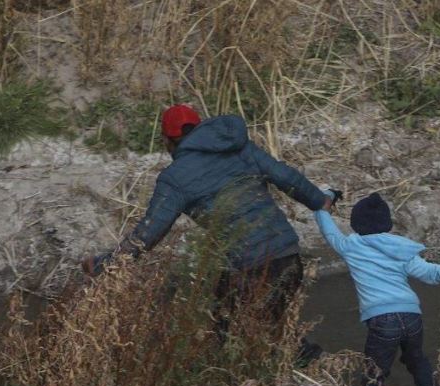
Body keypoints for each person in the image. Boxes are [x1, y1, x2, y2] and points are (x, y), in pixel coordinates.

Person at [83, 104, 331, 360]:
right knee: (241, 320)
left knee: (250, 328)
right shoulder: (240, 148)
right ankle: (261, 370)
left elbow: (149, 233)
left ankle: (305, 367)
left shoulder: (175, 178)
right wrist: (319, 200)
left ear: (168, 141)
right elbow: (286, 176)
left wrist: (105, 264)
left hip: (252, 268)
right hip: (287, 254)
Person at [314, 191, 440, 386]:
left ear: (355, 224)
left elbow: (327, 229)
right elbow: (433, 273)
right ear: (388, 224)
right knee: (417, 360)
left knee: (374, 376)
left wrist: (325, 199)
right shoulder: (401, 250)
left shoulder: (350, 247)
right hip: (412, 316)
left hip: (382, 321)